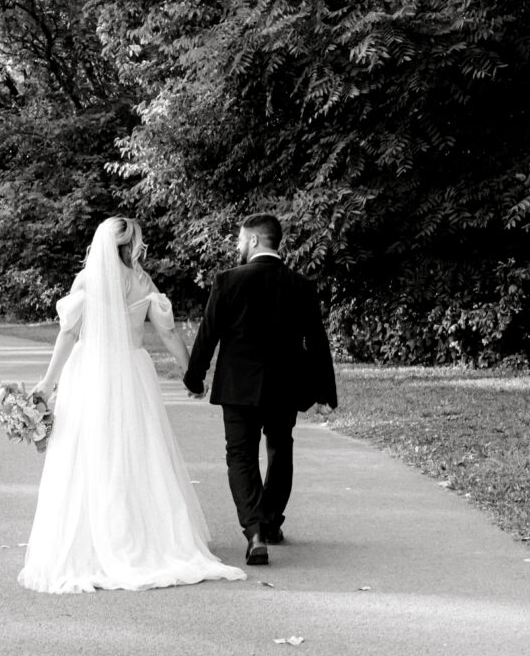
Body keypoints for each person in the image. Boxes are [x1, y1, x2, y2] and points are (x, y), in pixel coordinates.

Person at [19, 216, 246, 593]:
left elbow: (69, 334)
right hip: (132, 372)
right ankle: (143, 535)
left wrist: (47, 382)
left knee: (90, 451)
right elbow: (167, 332)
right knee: (137, 450)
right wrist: (191, 373)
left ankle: (95, 537)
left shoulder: (86, 281)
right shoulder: (143, 282)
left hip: (90, 373)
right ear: (132, 244)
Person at [183, 213, 337, 566]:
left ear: (253, 240)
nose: (238, 245)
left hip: (238, 387)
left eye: (240, 239)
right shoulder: (300, 285)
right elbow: (317, 341)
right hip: (285, 386)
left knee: (241, 455)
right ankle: (270, 521)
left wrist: (195, 378)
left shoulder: (228, 281)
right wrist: (324, 390)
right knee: (280, 449)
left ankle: (254, 531)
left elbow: (208, 335)